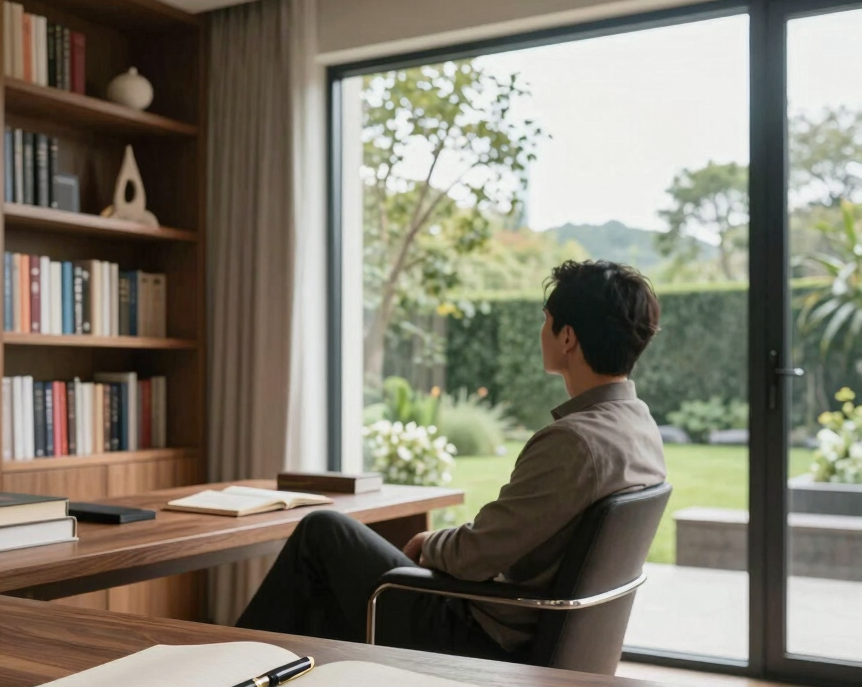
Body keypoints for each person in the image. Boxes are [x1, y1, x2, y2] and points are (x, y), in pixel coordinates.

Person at [236, 259, 667, 660]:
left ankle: (234, 667)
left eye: (545, 320)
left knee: (323, 531)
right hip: (542, 630)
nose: (542, 331)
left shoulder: (574, 442)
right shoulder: (640, 427)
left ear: (567, 337)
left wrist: (430, 543)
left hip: (484, 638)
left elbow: (475, 555)